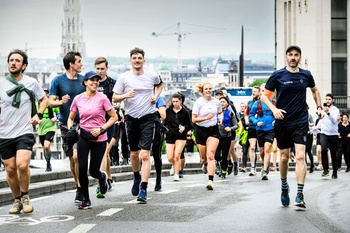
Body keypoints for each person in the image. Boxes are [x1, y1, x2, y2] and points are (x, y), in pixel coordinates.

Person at [261, 45, 322, 208]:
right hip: (283, 122)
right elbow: (264, 96)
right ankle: (284, 186)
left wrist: (319, 107)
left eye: (296, 55)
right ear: (286, 57)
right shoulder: (278, 75)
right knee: (284, 157)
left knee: (300, 156)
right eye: (290, 55)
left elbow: (315, 90)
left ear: (300, 57)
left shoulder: (306, 75)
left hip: (300, 120)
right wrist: (274, 110)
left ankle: (300, 194)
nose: (293, 57)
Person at [112, 47, 163, 203]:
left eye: (139, 58)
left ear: (144, 60)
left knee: (145, 155)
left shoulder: (152, 75)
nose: (137, 60)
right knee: (134, 154)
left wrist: (155, 95)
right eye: (134, 58)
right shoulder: (124, 78)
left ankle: (143, 189)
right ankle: (136, 176)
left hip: (148, 117)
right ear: (130, 61)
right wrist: (126, 95)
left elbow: (160, 84)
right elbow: (115, 98)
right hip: (131, 118)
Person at [0, 49, 48, 214]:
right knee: (10, 169)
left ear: (24, 65)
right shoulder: (1, 83)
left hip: (24, 130)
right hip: (4, 132)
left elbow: (44, 99)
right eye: (11, 60)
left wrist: (38, 114)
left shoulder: (31, 82)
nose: (13, 63)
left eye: (17, 61)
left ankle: (25, 196)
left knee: (22, 165)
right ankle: (17, 200)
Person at [67, 71, 117, 209]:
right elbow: (71, 118)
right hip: (83, 136)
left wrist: (101, 129)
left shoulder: (103, 98)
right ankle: (86, 199)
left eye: (97, 80)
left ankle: (102, 178)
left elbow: (114, 117)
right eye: (92, 80)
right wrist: (71, 129)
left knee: (93, 171)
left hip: (99, 138)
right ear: (85, 82)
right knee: (81, 168)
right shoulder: (78, 99)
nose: (95, 83)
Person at [49, 51, 85, 204]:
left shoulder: (84, 81)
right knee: (72, 157)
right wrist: (61, 102)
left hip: (84, 124)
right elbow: (50, 102)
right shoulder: (57, 80)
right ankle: (78, 187)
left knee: (78, 156)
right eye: (79, 61)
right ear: (71, 64)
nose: (81, 64)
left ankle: (81, 188)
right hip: (66, 124)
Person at [192, 83, 223, 190]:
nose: (208, 91)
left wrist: (220, 119)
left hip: (213, 129)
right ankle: (204, 164)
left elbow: (220, 113)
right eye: (206, 89)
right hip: (200, 130)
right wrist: (205, 118)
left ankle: (210, 180)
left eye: (210, 89)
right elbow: (194, 119)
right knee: (204, 157)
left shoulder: (217, 101)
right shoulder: (198, 102)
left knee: (211, 155)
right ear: (203, 91)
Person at [94, 57, 116, 195]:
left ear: (107, 68)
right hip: (95, 120)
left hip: (108, 120)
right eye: (98, 69)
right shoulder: (92, 82)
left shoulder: (112, 83)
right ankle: (107, 177)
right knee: (104, 154)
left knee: (104, 152)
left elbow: (117, 98)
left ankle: (100, 182)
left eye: (102, 69)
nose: (100, 71)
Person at [249, 85, 275, 180]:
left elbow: (279, 113)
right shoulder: (257, 103)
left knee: (267, 149)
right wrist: (256, 122)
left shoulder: (274, 103)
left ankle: (264, 171)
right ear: (261, 92)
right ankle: (265, 163)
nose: (265, 92)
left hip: (270, 129)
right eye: (263, 91)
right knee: (261, 150)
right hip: (260, 129)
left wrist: (275, 121)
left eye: (267, 91)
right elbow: (251, 115)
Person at [164, 93, 191, 181]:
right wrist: (165, 129)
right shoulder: (168, 111)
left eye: (176, 101)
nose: (175, 103)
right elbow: (164, 123)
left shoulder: (185, 112)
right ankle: (175, 165)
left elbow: (189, 125)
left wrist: (184, 128)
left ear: (180, 101)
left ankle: (176, 174)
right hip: (170, 135)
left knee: (177, 155)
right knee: (170, 157)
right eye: (173, 102)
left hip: (181, 135)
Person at [37, 89, 60, 172]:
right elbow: (34, 114)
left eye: (47, 94)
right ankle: (48, 163)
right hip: (41, 127)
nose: (46, 95)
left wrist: (56, 118)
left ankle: (48, 164)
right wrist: (37, 119)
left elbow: (58, 114)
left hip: (51, 127)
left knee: (47, 145)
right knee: (44, 147)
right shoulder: (38, 104)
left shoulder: (53, 104)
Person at [215, 96, 238, 179]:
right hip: (216, 136)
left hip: (226, 136)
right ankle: (223, 164)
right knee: (216, 156)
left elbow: (236, 125)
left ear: (227, 103)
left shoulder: (230, 113)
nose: (222, 103)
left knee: (225, 155)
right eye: (220, 102)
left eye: (223, 102)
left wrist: (230, 128)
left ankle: (223, 172)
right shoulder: (215, 113)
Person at [318, 94, 340, 179]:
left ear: (332, 100)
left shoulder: (335, 110)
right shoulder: (323, 110)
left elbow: (334, 120)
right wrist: (316, 127)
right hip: (324, 133)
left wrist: (328, 113)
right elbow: (321, 121)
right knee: (323, 149)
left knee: (333, 153)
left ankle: (334, 171)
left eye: (329, 99)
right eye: (326, 99)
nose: (327, 101)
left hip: (333, 134)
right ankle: (325, 169)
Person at [245, 86, 261, 176]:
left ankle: (264, 166)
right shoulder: (250, 102)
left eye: (255, 91)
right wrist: (247, 119)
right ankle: (252, 167)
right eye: (253, 91)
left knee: (261, 148)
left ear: (259, 93)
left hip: (261, 126)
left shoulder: (262, 102)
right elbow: (247, 113)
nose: (253, 93)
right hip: (252, 126)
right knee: (252, 147)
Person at [152, 96, 166, 190]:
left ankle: (158, 179)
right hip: (141, 128)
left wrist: (154, 108)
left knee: (157, 155)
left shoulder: (158, 99)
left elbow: (163, 115)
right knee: (141, 155)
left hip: (156, 129)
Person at [305, 105, 315, 173]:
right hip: (303, 134)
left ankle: (312, 165)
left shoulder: (309, 116)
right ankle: (304, 166)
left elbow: (313, 124)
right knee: (303, 151)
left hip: (309, 134)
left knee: (308, 151)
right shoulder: (300, 116)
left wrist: (309, 124)